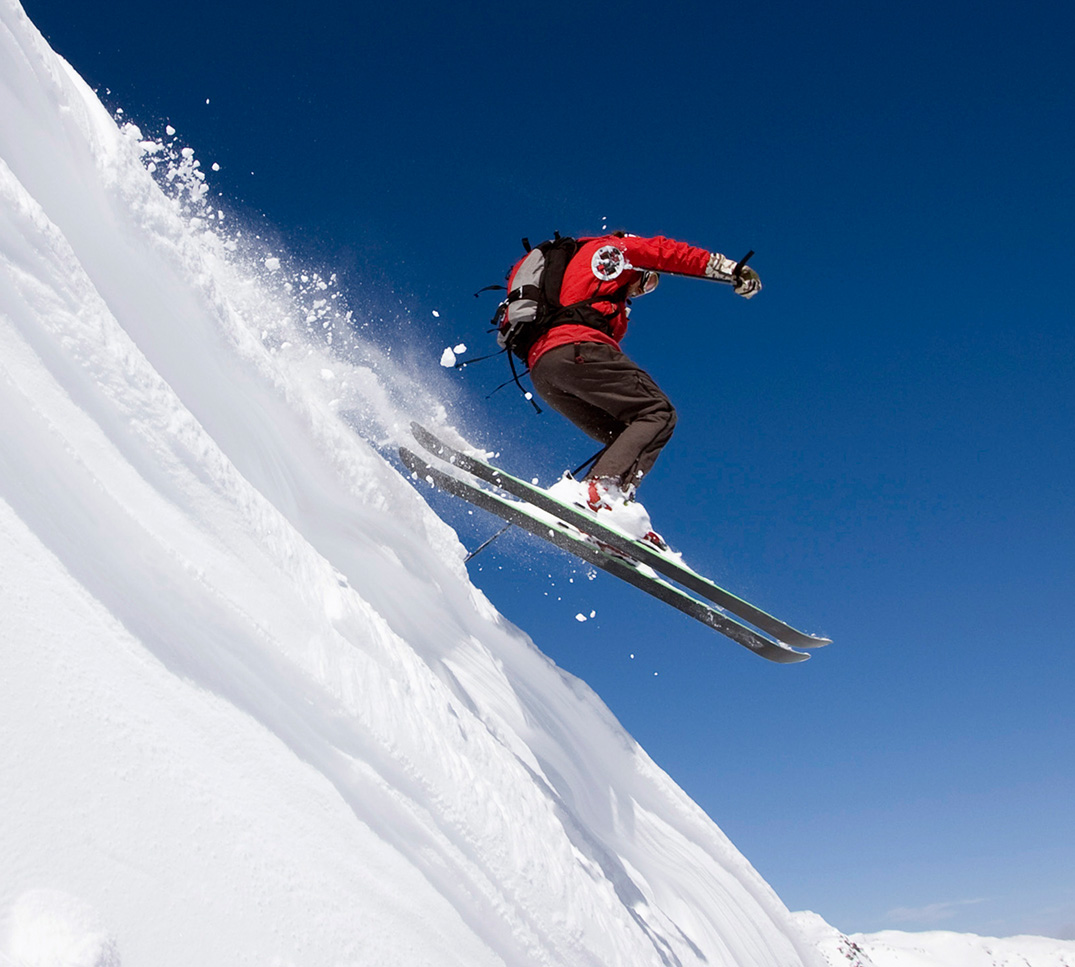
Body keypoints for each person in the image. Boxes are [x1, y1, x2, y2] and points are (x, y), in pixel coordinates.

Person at [520, 231, 761, 547]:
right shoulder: (613, 250)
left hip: (544, 369)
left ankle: (598, 506)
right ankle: (599, 496)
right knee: (657, 412)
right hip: (578, 350)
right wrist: (730, 268)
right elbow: (664, 252)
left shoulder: (567, 267)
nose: (639, 291)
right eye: (646, 282)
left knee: (627, 433)